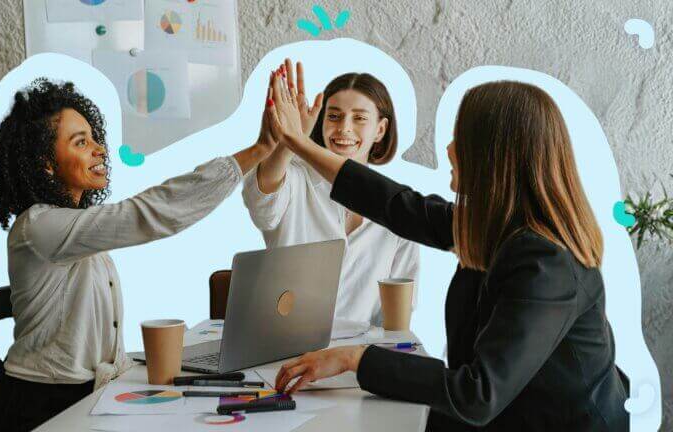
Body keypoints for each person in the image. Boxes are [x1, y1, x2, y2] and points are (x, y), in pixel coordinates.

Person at [265, 71, 629, 430]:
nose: (449, 149)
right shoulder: (497, 227)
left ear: (494, 156)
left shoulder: (546, 264)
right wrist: (299, 143)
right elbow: (396, 204)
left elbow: (477, 395)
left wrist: (355, 359)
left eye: (461, 137)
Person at [0, 78, 278, 431]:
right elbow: (148, 214)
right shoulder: (39, 226)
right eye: (81, 142)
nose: (99, 149)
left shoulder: (73, 230)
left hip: (81, 397)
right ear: (46, 163)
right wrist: (259, 149)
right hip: (38, 409)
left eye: (94, 137)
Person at [242, 59, 419, 326]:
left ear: (380, 129)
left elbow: (400, 310)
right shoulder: (295, 178)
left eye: (359, 118)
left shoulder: (398, 205)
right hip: (286, 347)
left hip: (358, 357)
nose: (344, 128)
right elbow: (262, 205)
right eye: (334, 116)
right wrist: (291, 140)